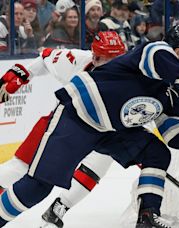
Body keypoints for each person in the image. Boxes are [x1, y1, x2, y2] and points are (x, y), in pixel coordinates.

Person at [0, 24, 179, 228]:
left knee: (157, 153)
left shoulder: (172, 91)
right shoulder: (154, 52)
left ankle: (148, 217)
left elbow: (174, 134)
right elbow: (161, 57)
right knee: (37, 187)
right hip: (80, 116)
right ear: (178, 51)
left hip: (115, 130)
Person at [0, 31, 126, 227]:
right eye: (107, 60)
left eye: (117, 59)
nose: (113, 65)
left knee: (102, 160)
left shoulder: (130, 77)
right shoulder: (78, 60)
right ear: (95, 57)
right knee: (23, 168)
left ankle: (59, 208)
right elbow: (46, 56)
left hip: (100, 133)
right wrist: (20, 77)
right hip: (60, 127)